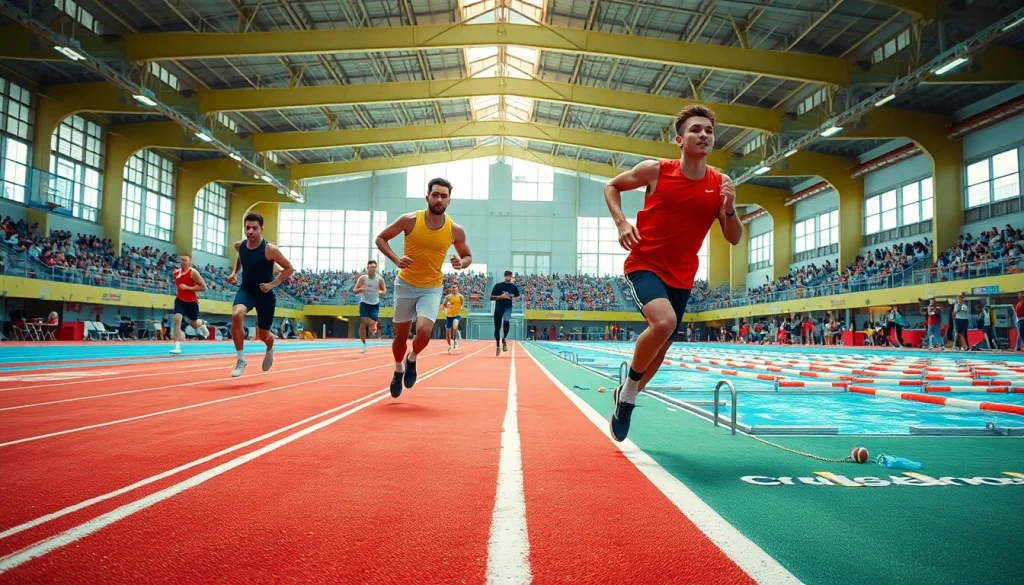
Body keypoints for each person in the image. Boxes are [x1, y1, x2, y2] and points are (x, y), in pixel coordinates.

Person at [603, 104, 742, 442]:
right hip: (645, 264)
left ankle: (626, 391)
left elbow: (733, 236)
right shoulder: (656, 171)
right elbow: (611, 186)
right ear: (680, 139)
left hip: (682, 275)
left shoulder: (720, 183)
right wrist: (622, 223)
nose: (704, 135)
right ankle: (629, 397)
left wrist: (729, 208)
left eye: (709, 131)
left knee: (661, 348)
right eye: (696, 130)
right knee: (663, 323)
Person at [375, 177, 473, 398]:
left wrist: (461, 263)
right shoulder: (409, 220)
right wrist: (395, 258)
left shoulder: (454, 230)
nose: (439, 199)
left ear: (449, 201)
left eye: (444, 196)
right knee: (400, 337)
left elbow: (467, 255)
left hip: (431, 287)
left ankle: (412, 358)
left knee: (424, 331)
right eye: (435, 194)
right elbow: (381, 238)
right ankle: (399, 367)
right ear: (427, 196)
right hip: (405, 285)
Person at [226, 212, 294, 377]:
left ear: (261, 230)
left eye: (254, 228)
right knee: (236, 314)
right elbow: (240, 257)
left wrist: (272, 284)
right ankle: (241, 359)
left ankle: (270, 348)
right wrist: (235, 273)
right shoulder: (239, 245)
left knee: (263, 335)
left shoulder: (270, 249)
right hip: (247, 290)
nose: (250, 231)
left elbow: (289, 268)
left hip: (265, 294)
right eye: (247, 228)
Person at [170, 255, 210, 354]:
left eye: (185, 260)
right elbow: (178, 285)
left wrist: (188, 288)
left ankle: (202, 324)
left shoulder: (193, 273)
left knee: (194, 323)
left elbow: (204, 287)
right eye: (181, 259)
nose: (183, 261)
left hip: (192, 302)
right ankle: (177, 346)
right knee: (177, 319)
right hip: (180, 301)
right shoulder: (175, 273)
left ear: (189, 262)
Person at [353, 259, 386, 354]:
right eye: (371, 267)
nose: (373, 269)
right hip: (364, 303)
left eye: (374, 267)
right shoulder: (362, 278)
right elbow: (355, 290)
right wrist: (362, 289)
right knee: (363, 322)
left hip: (374, 304)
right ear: (367, 268)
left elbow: (384, 291)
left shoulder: (379, 279)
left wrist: (378, 291)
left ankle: (373, 324)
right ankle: (363, 344)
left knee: (371, 324)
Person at [490, 271, 520, 356]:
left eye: (511, 276)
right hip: (499, 308)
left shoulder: (513, 286)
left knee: (506, 320)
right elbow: (491, 297)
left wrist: (514, 299)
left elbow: (517, 295)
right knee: (497, 328)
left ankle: (504, 338)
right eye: (508, 276)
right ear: (505, 276)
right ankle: (498, 346)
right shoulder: (498, 286)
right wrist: (500, 297)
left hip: (508, 307)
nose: (509, 278)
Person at [442, 283, 465, 353]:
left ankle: (455, 340)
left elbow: (462, 304)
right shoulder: (448, 297)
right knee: (448, 331)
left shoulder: (461, 296)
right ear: (451, 289)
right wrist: (445, 308)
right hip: (449, 315)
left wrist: (461, 308)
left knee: (455, 324)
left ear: (457, 288)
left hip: (457, 315)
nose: (454, 288)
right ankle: (449, 345)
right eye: (453, 287)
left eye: (455, 287)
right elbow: (443, 305)